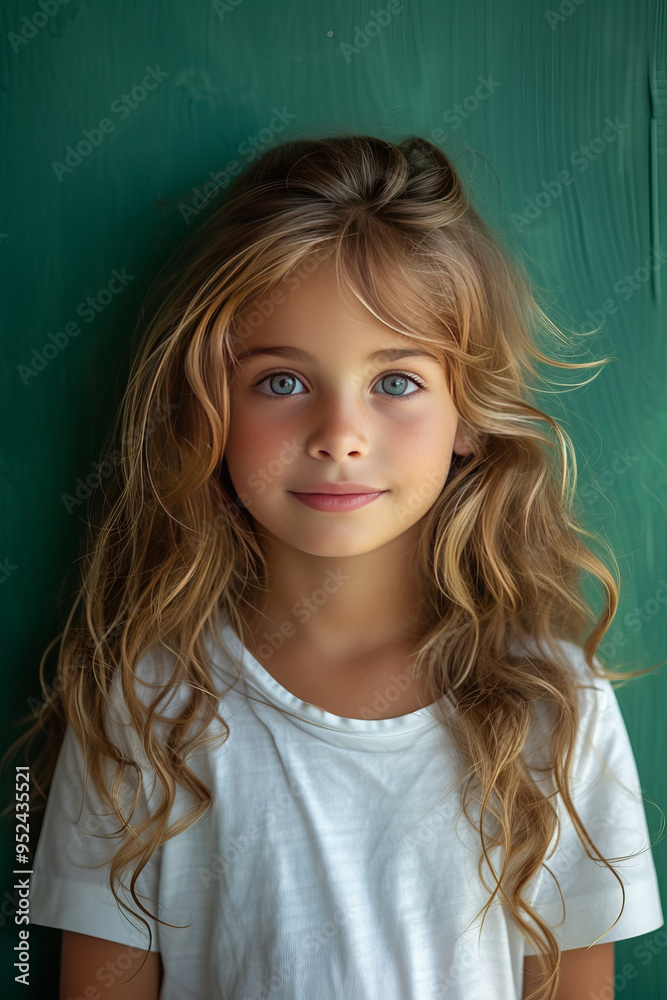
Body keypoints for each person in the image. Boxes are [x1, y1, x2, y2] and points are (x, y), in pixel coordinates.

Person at [7, 133, 664, 1000]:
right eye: (281, 382)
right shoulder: (143, 700)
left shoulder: (553, 703)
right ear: (211, 410)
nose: (339, 435)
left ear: (468, 416)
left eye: (394, 382)